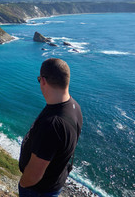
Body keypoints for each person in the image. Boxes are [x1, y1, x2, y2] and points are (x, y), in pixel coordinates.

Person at [18, 58, 83, 197]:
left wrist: (23, 184)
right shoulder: (74, 106)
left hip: (38, 190)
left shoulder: (52, 125)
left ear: (43, 81)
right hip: (55, 182)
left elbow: (34, 175)